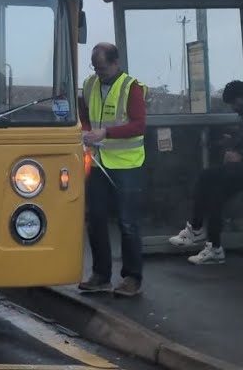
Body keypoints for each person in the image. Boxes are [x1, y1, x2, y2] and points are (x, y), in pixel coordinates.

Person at [168, 80, 243, 265]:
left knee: (207, 176)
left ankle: (196, 229)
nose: (234, 108)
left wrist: (242, 157)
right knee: (216, 193)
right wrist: (226, 144)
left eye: (235, 103)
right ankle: (214, 248)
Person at [76, 42, 147, 297]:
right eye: (95, 68)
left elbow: (139, 125)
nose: (99, 73)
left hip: (126, 164)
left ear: (116, 63)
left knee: (128, 222)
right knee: (95, 219)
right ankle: (101, 275)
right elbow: (83, 114)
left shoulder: (131, 88)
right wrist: (85, 130)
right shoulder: (89, 84)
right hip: (97, 161)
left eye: (103, 68)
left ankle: (132, 277)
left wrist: (106, 132)